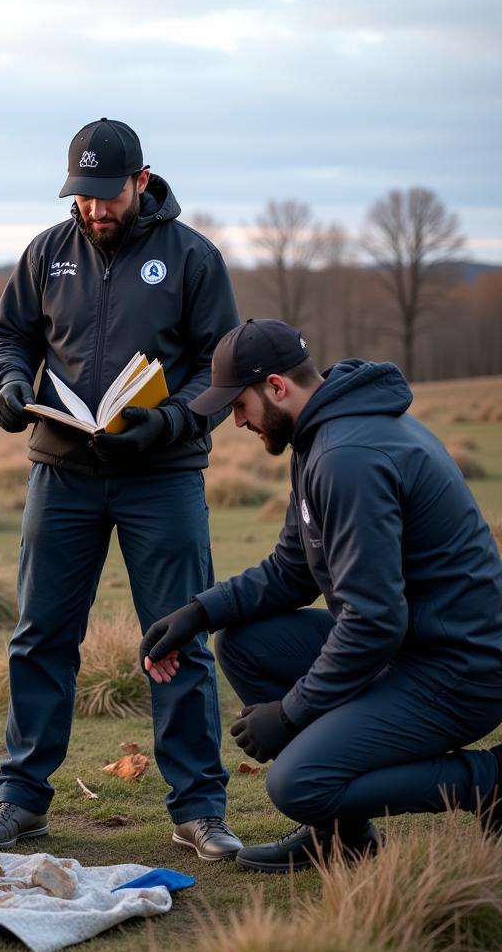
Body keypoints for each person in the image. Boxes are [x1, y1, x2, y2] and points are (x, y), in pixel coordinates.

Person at [140, 318, 502, 872]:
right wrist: (198, 613)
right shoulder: (320, 439)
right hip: (410, 647)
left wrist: (290, 713)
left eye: (239, 404)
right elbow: (292, 570)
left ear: (277, 387)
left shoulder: (346, 456)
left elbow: (373, 621)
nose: (234, 421)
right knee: (243, 644)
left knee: (299, 782)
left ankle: (488, 781)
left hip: (459, 670)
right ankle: (345, 837)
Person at [0, 118, 242, 859]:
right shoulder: (46, 253)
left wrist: (166, 424)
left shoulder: (193, 258)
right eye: (83, 195)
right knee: (41, 637)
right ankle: (21, 800)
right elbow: (11, 336)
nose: (95, 209)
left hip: (161, 476)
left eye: (108, 194)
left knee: (179, 641)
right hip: (61, 472)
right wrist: (7, 380)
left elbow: (219, 369)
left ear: (141, 180)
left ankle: (199, 810)